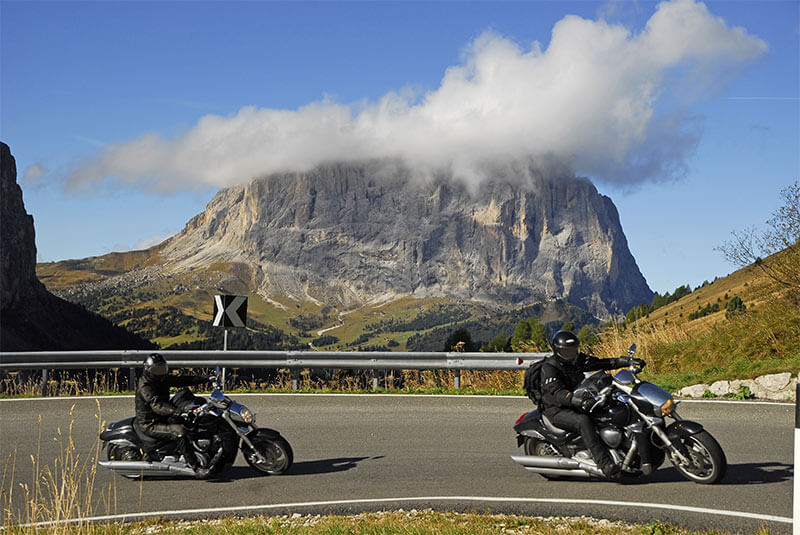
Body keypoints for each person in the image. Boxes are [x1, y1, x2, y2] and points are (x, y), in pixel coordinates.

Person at [539, 330, 645, 480]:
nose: (571, 354)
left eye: (573, 350)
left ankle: (625, 449)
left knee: (613, 406)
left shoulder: (577, 360)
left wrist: (626, 362)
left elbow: (601, 363)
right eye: (567, 351)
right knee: (583, 421)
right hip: (557, 409)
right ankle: (605, 464)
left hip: (578, 400)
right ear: (557, 351)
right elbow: (558, 393)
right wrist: (576, 400)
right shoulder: (549, 368)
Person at [134, 353, 211, 474]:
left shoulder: (161, 379)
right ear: (148, 370)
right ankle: (195, 466)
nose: (160, 373)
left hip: (162, 416)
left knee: (189, 404)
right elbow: (157, 405)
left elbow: (181, 380)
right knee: (179, 431)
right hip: (150, 423)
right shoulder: (145, 386)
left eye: (162, 369)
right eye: (157, 370)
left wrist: (205, 378)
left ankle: (198, 448)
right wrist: (177, 412)